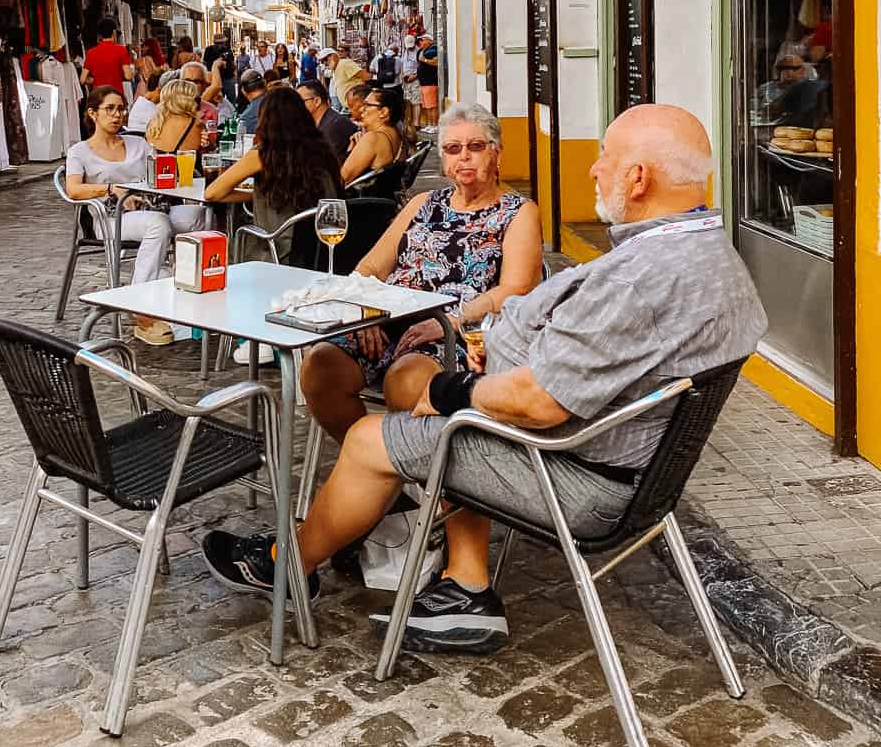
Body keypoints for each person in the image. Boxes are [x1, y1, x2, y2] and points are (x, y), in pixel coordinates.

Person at [203, 104, 767, 657]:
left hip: (570, 471)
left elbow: (542, 401)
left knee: (372, 436)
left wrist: (453, 392)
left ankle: (290, 565)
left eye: (603, 156)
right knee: (346, 382)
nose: (594, 168)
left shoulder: (641, 278)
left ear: (637, 177)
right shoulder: (711, 257)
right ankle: (437, 562)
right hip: (617, 466)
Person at [302, 104, 540, 446]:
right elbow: (369, 269)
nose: (464, 158)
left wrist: (452, 320)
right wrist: (365, 312)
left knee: (407, 381)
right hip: (387, 323)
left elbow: (516, 290)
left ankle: (421, 479)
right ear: (443, 159)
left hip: (455, 333)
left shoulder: (518, 212)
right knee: (319, 367)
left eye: (476, 147)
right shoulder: (424, 203)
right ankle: (381, 474)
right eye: (453, 149)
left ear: (497, 153)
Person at [65, 87, 179, 345]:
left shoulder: (138, 143)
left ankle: (181, 289)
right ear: (93, 113)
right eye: (110, 109)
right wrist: (110, 190)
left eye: (121, 109)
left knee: (198, 216)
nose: (118, 115)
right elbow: (73, 189)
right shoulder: (80, 151)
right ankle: (139, 306)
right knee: (158, 225)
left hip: (149, 207)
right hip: (109, 218)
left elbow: (159, 175)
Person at [206, 87, 342, 263]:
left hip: (274, 248)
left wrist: (256, 196)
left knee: (224, 247)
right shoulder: (322, 150)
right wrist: (259, 195)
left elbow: (212, 193)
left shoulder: (264, 154)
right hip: (320, 246)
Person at [341, 86, 408, 194]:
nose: (361, 109)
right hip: (382, 202)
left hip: (360, 205)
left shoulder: (373, 139)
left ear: (383, 112)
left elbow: (342, 179)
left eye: (367, 105)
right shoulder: (396, 134)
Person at [298, 79, 356, 163]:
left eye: (300, 101)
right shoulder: (323, 122)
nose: (296, 105)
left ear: (317, 101)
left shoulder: (334, 125)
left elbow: (327, 165)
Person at [83, 18, 135, 94]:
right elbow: (128, 76)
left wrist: (95, 79)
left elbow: (83, 79)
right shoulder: (121, 50)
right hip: (115, 96)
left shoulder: (91, 52)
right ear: (114, 32)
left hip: (98, 97)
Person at [417, 35, 440, 127]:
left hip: (430, 83)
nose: (420, 42)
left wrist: (424, 60)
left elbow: (436, 62)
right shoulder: (423, 51)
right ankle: (430, 125)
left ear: (429, 41)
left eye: (422, 40)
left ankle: (434, 125)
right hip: (423, 83)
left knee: (431, 106)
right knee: (426, 106)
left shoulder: (433, 50)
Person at [236, 70, 266, 138]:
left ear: (243, 90)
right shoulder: (279, 101)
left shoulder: (246, 118)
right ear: (264, 84)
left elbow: (240, 143)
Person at [400, 34, 421, 133]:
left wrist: (414, 76)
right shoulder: (405, 52)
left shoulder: (418, 52)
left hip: (415, 79)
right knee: (408, 101)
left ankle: (416, 123)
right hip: (406, 79)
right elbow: (403, 65)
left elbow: (421, 67)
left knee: (416, 101)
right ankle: (409, 121)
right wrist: (403, 76)